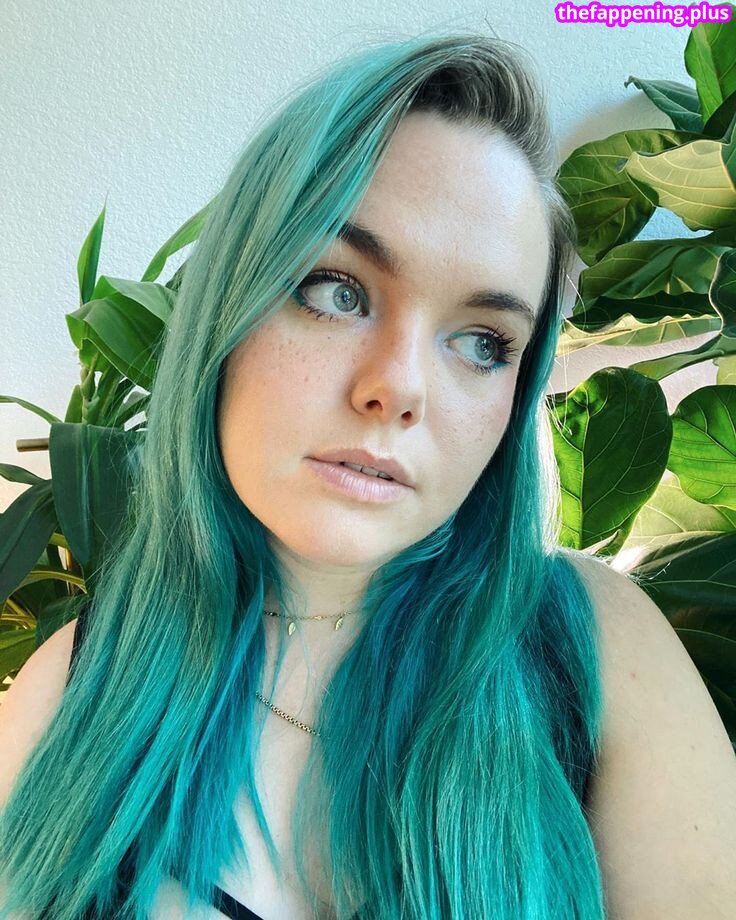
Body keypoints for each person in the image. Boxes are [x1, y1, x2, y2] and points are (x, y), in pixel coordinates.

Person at [0, 30, 689, 920]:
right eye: (337, 290)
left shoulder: (594, 648)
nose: (398, 389)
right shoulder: (71, 689)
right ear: (227, 309)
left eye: (484, 343)